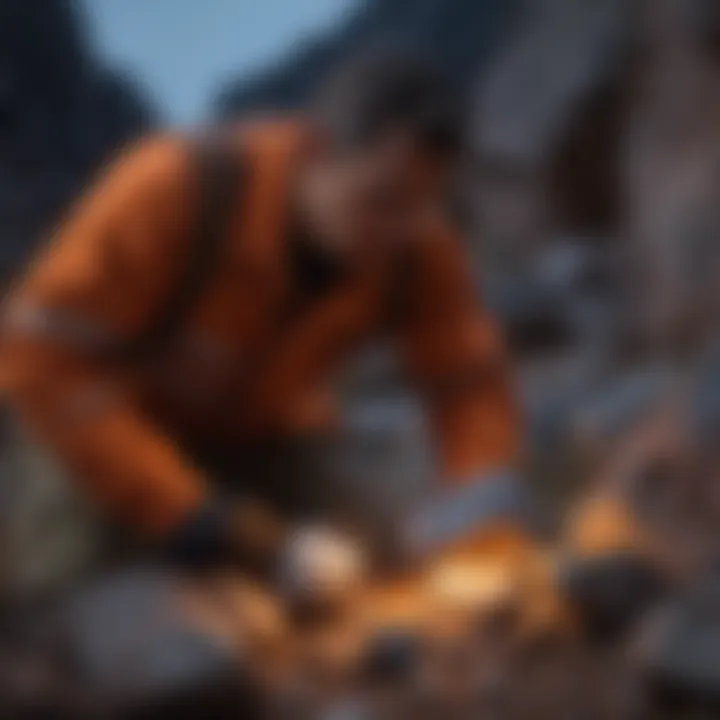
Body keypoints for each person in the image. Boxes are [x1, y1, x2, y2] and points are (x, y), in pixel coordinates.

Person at [0, 50, 530, 606]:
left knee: (379, 563)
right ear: (317, 150)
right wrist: (203, 521)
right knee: (78, 603)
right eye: (382, 200)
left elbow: (469, 381)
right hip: (107, 432)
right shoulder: (173, 186)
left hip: (263, 435)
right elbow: (38, 359)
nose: (400, 231)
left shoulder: (417, 243)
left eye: (424, 205)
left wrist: (478, 500)